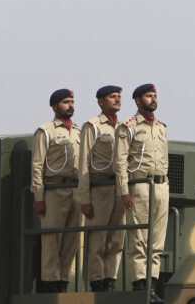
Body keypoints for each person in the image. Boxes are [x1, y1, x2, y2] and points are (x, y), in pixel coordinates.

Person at [113, 83, 168, 304]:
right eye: (148, 96)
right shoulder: (129, 127)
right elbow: (120, 162)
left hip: (161, 186)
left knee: (157, 242)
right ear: (137, 100)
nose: (153, 99)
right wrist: (124, 191)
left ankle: (152, 285)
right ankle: (140, 285)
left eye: (155, 95)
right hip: (140, 186)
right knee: (139, 241)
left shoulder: (161, 127)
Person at [30, 88, 80, 293]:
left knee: (71, 240)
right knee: (52, 239)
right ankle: (50, 283)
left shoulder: (79, 132)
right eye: (66, 102)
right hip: (54, 189)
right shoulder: (46, 131)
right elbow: (37, 165)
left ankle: (62, 282)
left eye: (72, 101)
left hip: (75, 190)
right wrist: (39, 196)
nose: (70, 105)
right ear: (55, 106)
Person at [78, 85, 125, 292]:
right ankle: (96, 281)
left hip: (118, 188)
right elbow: (83, 164)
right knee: (98, 237)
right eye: (112, 97)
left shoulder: (124, 128)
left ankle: (110, 279)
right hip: (100, 188)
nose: (117, 100)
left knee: (116, 238)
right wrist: (85, 198)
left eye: (118, 97)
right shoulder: (92, 126)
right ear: (100, 101)